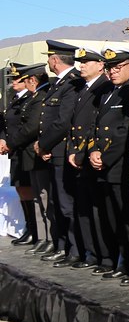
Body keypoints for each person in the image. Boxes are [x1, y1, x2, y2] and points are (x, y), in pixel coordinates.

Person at [90, 49, 129, 284]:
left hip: (121, 165)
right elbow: (98, 127)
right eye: (109, 68)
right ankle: (124, 261)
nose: (112, 72)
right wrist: (94, 150)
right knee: (114, 218)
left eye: (117, 67)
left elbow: (125, 131)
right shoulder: (109, 92)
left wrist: (105, 157)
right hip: (105, 165)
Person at [63, 48, 113, 271]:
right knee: (83, 208)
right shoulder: (83, 88)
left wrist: (83, 152)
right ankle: (91, 253)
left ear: (100, 65)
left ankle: (106, 256)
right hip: (78, 155)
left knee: (97, 209)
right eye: (80, 62)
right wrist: (73, 150)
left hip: (92, 154)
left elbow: (94, 125)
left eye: (87, 62)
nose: (81, 65)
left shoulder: (104, 87)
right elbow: (74, 125)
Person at [35, 40, 84, 266]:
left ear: (54, 60)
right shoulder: (60, 84)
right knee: (57, 202)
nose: (48, 62)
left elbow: (63, 122)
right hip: (54, 152)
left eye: (49, 58)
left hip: (63, 151)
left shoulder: (72, 83)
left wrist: (43, 144)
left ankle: (74, 250)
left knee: (66, 204)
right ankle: (62, 246)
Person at [10, 65, 52, 254]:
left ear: (32, 80)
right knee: (37, 198)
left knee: (44, 197)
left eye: (24, 80)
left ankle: (49, 237)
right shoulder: (34, 97)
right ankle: (41, 237)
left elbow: (32, 127)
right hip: (28, 154)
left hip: (37, 154)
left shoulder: (40, 97)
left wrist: (11, 142)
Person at [1, 65, 38, 246]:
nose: (13, 82)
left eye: (17, 79)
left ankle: (34, 231)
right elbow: (6, 124)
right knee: (20, 189)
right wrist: (3, 139)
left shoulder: (30, 99)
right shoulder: (15, 99)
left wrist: (10, 143)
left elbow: (27, 127)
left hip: (24, 149)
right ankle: (29, 228)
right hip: (15, 150)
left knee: (27, 189)